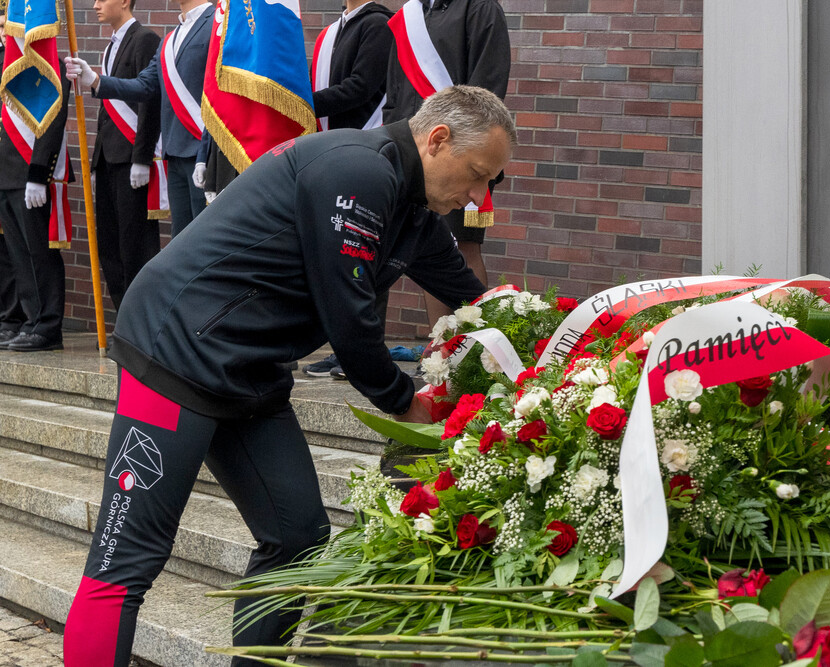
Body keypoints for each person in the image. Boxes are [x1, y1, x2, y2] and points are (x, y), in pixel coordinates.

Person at [61, 85, 515, 667]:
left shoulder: (415, 216)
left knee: (298, 538)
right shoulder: (356, 170)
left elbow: (484, 305)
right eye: (478, 174)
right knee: (126, 560)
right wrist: (405, 402)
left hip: (249, 367)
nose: (479, 196)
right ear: (437, 139)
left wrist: (572, 342)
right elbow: (348, 317)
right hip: (173, 350)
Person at [382, 0, 510, 332]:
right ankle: (437, 353)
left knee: (461, 249)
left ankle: (471, 349)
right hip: (415, 158)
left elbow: (488, 87)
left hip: (463, 158)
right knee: (427, 252)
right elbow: (394, 92)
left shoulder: (481, 8)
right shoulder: (410, 15)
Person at [65, 0, 213, 236]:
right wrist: (94, 79)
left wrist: (209, 152)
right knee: (183, 242)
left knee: (206, 238)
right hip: (175, 153)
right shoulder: (169, 39)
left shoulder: (218, 25)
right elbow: (144, 86)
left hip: (205, 153)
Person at [302, 0, 393, 378]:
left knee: (362, 248)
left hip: (362, 145)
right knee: (337, 252)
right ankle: (342, 348)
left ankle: (361, 352)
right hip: (336, 147)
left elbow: (362, 87)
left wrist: (302, 103)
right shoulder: (334, 29)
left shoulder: (377, 24)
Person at [90, 0, 162, 310]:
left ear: (123, 1)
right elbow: (107, 109)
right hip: (109, 158)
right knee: (109, 243)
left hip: (131, 159)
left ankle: (140, 317)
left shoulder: (144, 39)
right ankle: (123, 314)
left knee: (135, 244)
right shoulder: (110, 47)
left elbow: (150, 100)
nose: (95, 5)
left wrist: (142, 158)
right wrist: (97, 159)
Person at [0, 55, 73, 352]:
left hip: (29, 172)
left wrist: (39, 171)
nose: (5, 32)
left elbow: (52, 119)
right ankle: (25, 320)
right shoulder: (8, 63)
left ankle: (46, 325)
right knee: (15, 254)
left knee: (38, 252)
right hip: (5, 171)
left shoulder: (48, 62)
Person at [0, 14, 28, 347]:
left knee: (20, 248)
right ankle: (8, 315)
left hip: (18, 168)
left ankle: (21, 316)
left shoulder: (26, 64)